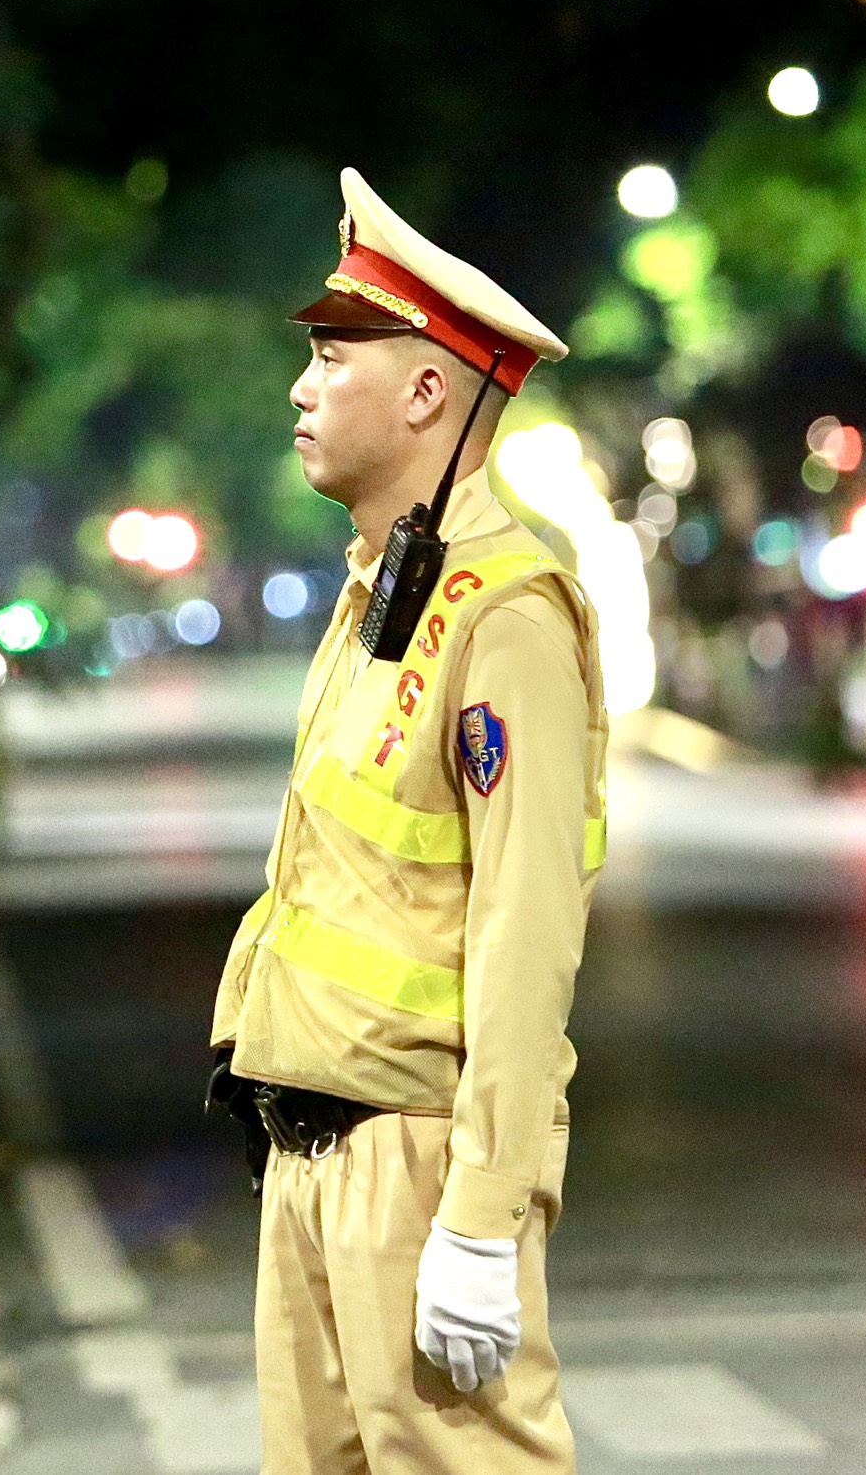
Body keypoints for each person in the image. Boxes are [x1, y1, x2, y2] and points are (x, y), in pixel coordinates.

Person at [208, 167, 605, 1474]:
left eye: (334, 355)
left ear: (429, 388)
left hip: (419, 1173)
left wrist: (486, 1213)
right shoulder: (384, 591)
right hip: (310, 1165)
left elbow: (524, 931)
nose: (301, 388)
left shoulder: (508, 614)